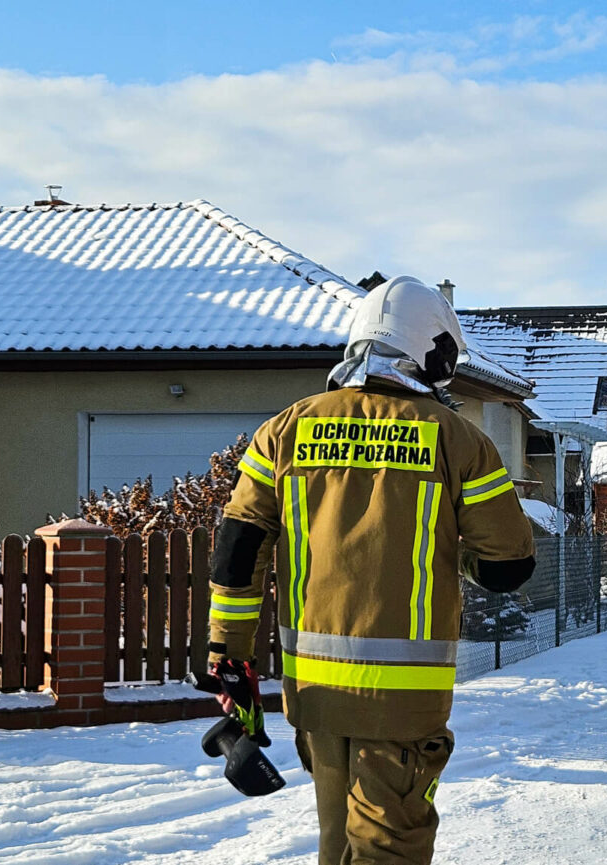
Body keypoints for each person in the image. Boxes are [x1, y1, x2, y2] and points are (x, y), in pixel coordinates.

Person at [203, 276, 537, 864]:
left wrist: (229, 652)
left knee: (336, 844)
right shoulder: (458, 440)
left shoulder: (283, 431)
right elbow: (509, 565)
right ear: (434, 351)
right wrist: (449, 548)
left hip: (314, 694)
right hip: (403, 702)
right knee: (389, 849)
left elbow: (237, 552)